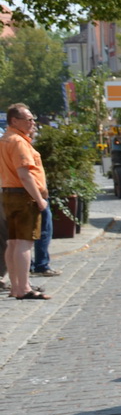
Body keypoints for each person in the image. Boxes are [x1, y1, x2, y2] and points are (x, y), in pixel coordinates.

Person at [1, 104, 50, 301]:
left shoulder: (5, 139)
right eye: (28, 119)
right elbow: (24, 174)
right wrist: (39, 199)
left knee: (12, 243)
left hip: (9, 194)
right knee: (24, 243)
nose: (32, 123)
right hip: (23, 196)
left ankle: (16, 287)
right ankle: (24, 288)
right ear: (14, 121)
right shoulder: (18, 142)